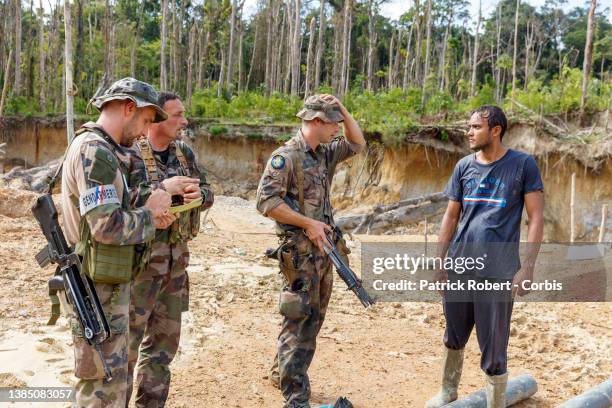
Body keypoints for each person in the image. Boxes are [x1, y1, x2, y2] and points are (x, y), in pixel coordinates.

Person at [60, 77, 175, 407]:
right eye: (146, 121)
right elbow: (105, 226)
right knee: (100, 391)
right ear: (129, 108)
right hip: (97, 292)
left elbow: (111, 215)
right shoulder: (95, 153)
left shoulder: (105, 150)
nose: (144, 132)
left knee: (110, 386)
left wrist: (147, 212)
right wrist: (150, 215)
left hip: (107, 288)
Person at [425, 105, 544, 408]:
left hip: (499, 271)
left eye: (476, 127)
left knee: (493, 345)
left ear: (496, 130)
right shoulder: (464, 166)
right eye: (469, 126)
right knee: (454, 332)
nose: (469, 132)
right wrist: (440, 264)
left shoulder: (522, 165)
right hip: (461, 264)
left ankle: (494, 403)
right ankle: (448, 392)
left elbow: (536, 218)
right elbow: (450, 217)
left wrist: (527, 267)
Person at [255, 94, 366, 408]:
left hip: (324, 252)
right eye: (333, 123)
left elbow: (358, 144)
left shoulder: (324, 154)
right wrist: (308, 224)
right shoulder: (286, 157)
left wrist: (342, 107)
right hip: (301, 254)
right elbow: (266, 202)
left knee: (313, 319)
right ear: (316, 121)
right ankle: (295, 394)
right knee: (299, 320)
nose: (337, 129)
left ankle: (282, 373)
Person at [126, 91, 214, 407]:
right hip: (139, 270)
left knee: (163, 348)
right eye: (177, 114)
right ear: (159, 117)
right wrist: (170, 197)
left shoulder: (184, 154)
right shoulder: (131, 154)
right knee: (126, 348)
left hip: (175, 269)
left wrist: (196, 196)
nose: (184, 121)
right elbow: (125, 205)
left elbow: (207, 192)